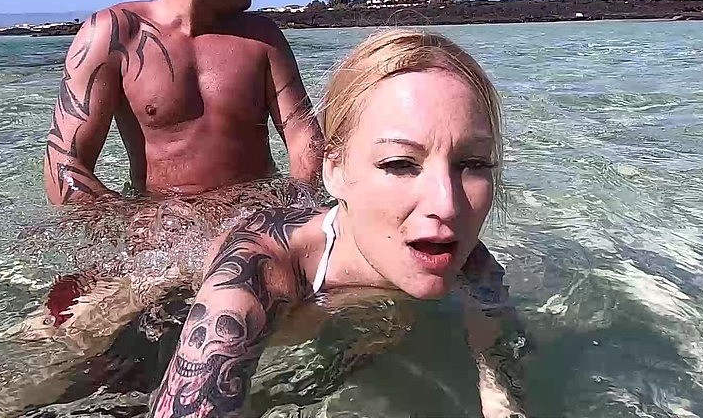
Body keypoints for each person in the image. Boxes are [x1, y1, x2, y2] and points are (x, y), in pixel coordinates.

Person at [147, 28, 523, 417]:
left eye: (473, 163)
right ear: (334, 171)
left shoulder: (465, 259)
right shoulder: (259, 271)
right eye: (399, 164)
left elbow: (499, 371)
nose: (448, 205)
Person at [42, 0, 322, 206]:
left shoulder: (263, 38)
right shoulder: (115, 35)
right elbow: (64, 164)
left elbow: (305, 139)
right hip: (162, 228)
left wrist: (294, 213)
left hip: (259, 221)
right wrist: (135, 225)